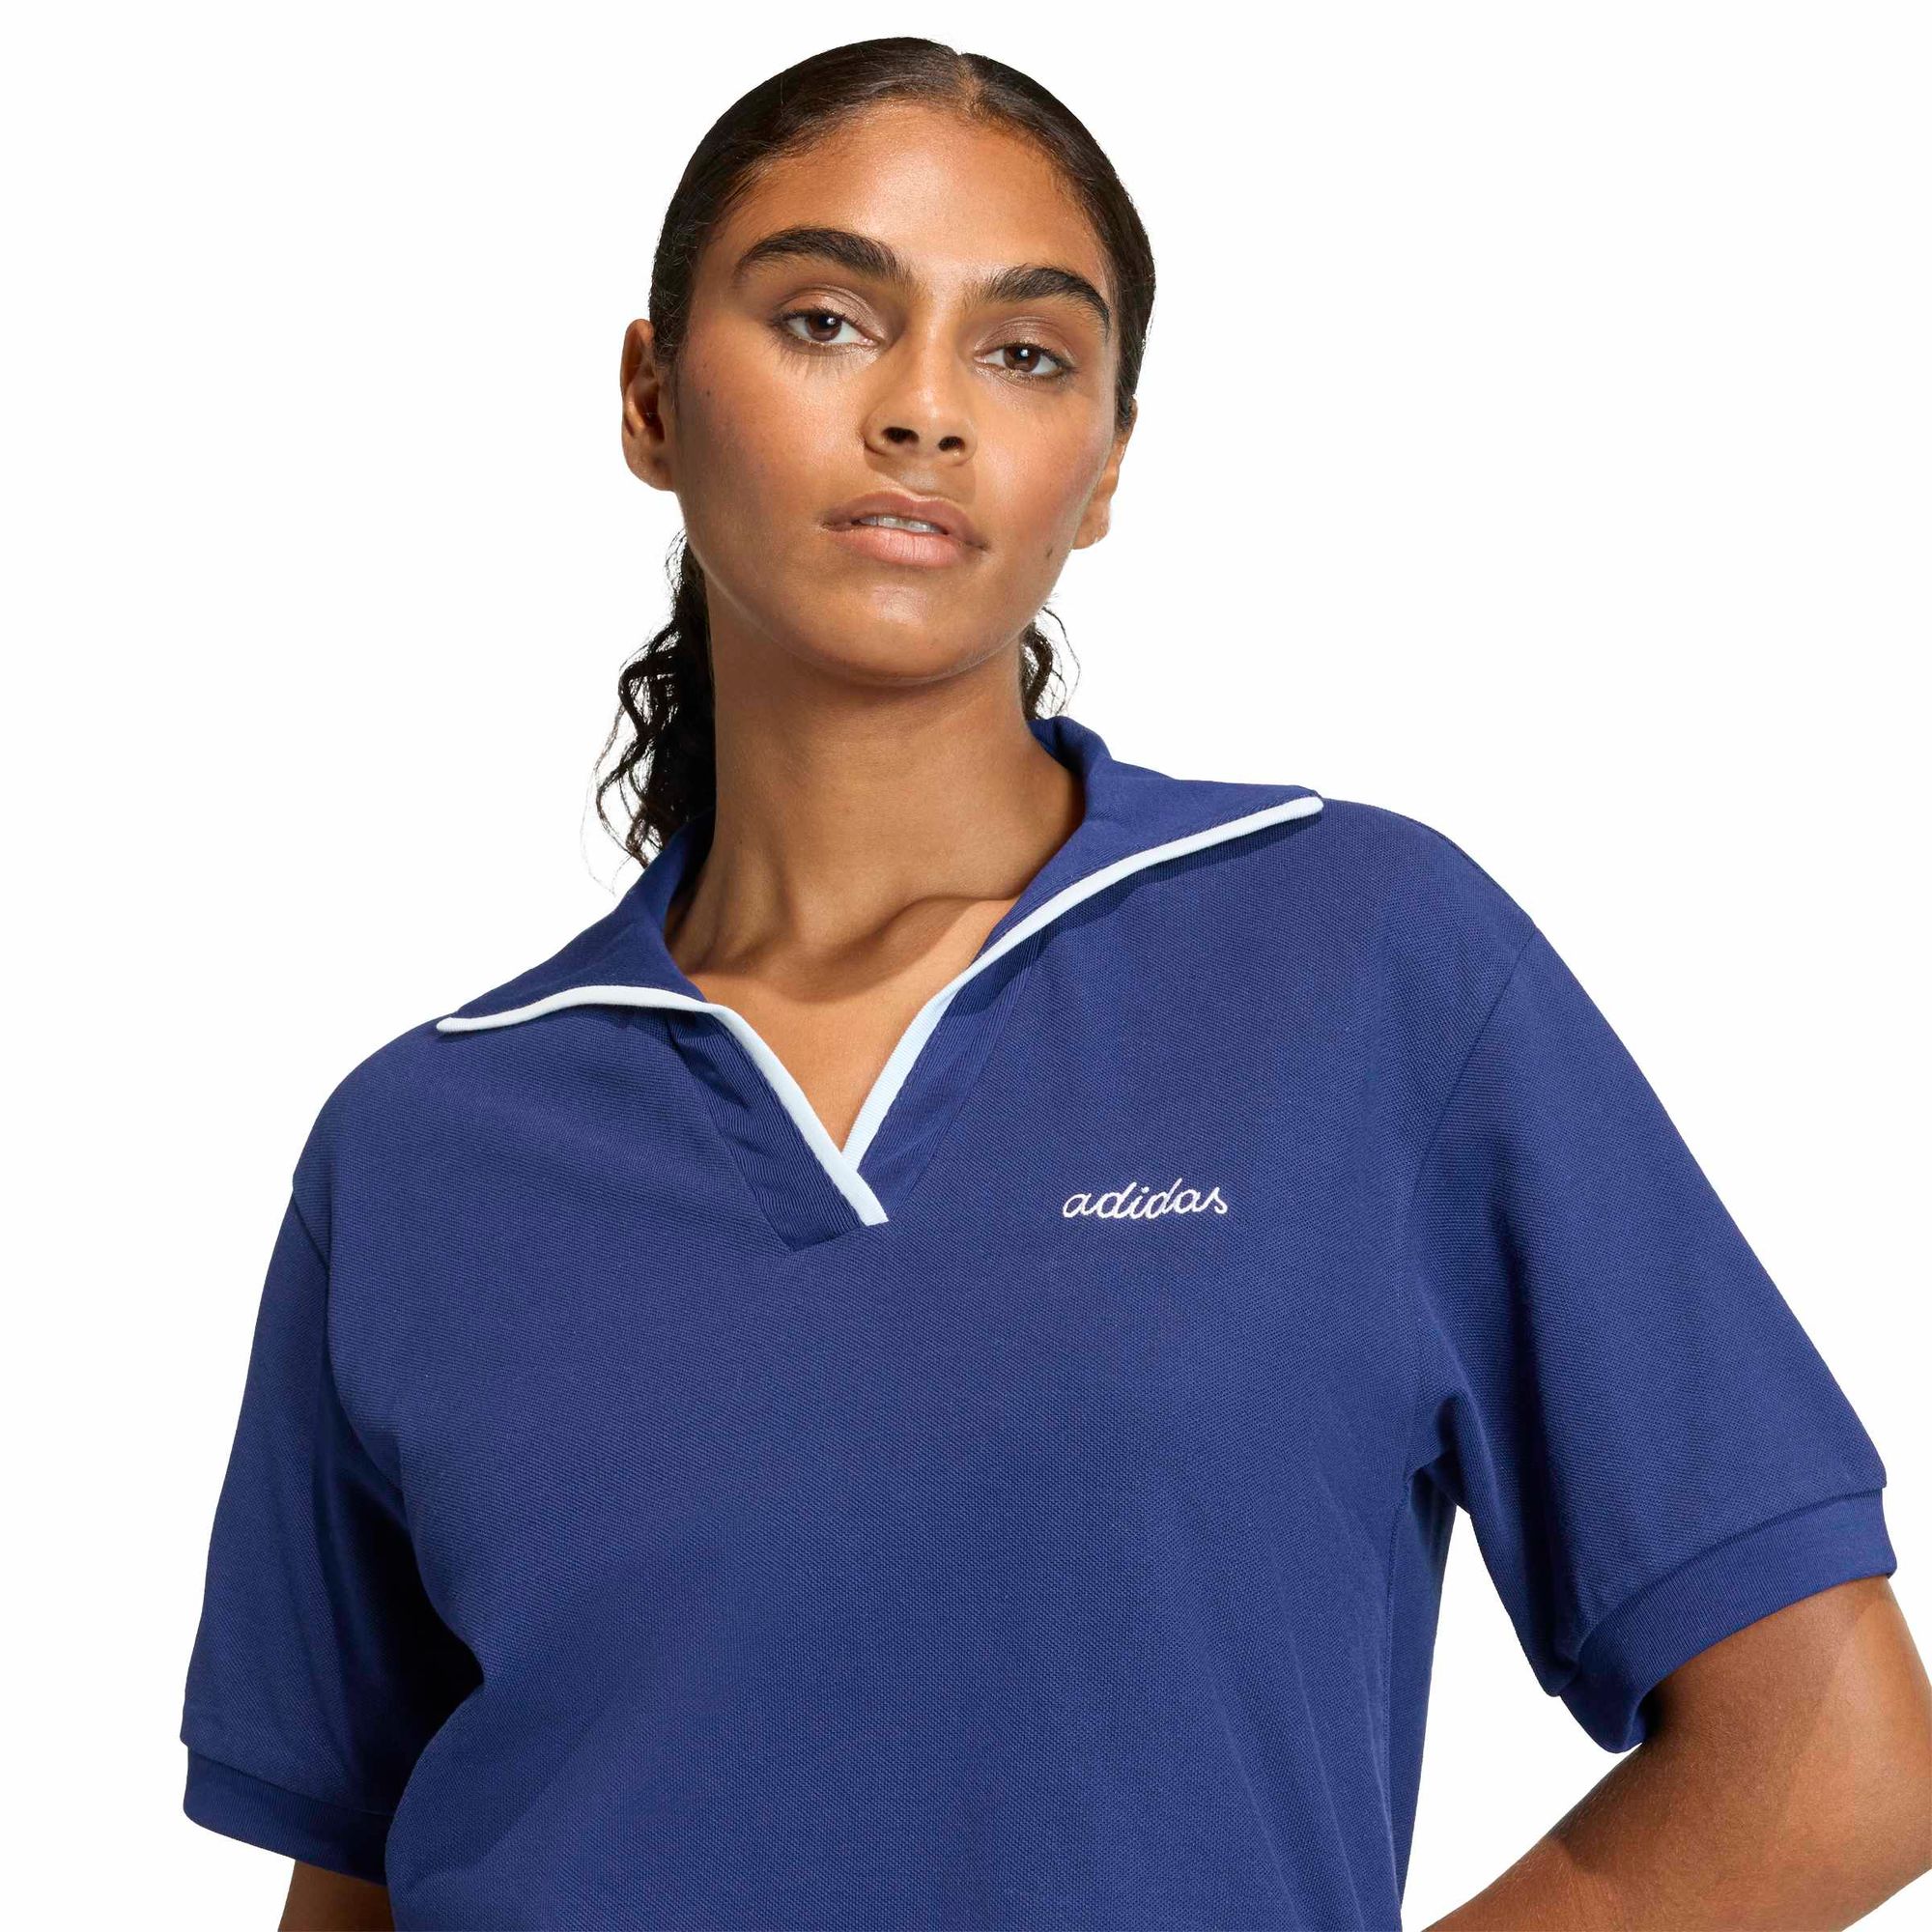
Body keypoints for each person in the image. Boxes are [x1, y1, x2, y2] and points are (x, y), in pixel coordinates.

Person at [179, 36, 1931, 1932]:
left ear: (1100, 471)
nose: (924, 411)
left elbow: (1834, 1756)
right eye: (828, 319)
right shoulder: (419, 1143)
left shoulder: (1361, 963)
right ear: (651, 397)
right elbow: (351, 1886)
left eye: (1024, 353)